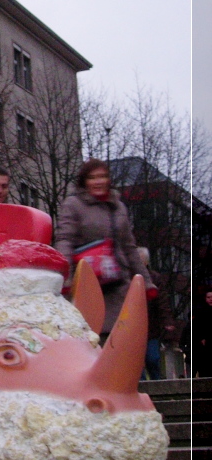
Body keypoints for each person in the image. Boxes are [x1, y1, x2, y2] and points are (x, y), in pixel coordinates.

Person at [54, 159, 155, 338]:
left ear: (109, 179)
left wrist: (146, 282)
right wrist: (66, 277)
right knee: (92, 337)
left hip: (118, 283)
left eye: (102, 176)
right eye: (92, 178)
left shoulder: (118, 207)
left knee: (121, 338)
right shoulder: (74, 205)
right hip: (88, 283)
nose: (98, 181)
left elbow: (130, 248)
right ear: (84, 182)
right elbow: (65, 241)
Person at [136, 247, 176, 380]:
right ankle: (141, 388)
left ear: (146, 263)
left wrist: (167, 322)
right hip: (133, 329)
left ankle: (156, 382)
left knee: (152, 359)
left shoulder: (154, 278)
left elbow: (162, 302)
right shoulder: (127, 279)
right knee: (136, 364)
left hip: (150, 328)